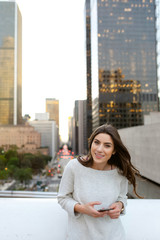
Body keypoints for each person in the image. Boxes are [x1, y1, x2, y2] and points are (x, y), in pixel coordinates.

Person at [58, 124, 141, 240]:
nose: (99, 149)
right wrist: (82, 209)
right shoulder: (74, 167)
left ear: (114, 150)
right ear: (91, 143)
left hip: (114, 236)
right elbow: (63, 198)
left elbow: (122, 197)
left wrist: (120, 206)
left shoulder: (119, 172)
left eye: (107, 146)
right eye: (96, 142)